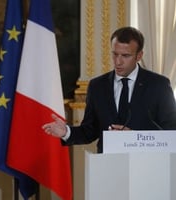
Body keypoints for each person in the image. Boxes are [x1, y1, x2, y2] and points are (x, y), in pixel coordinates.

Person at [42, 26, 176, 153]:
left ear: (139, 56)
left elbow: (171, 131)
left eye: (125, 56)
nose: (118, 62)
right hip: (106, 166)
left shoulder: (159, 85)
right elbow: (90, 130)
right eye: (115, 54)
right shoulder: (97, 86)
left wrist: (136, 138)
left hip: (146, 164)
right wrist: (66, 132)